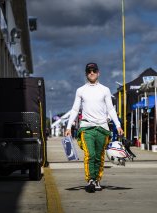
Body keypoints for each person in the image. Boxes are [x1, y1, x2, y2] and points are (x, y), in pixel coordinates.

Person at [65, 62, 123, 193]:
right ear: (86, 74)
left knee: (99, 156)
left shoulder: (105, 90)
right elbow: (75, 109)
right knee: (90, 154)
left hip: (103, 128)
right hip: (86, 128)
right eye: (89, 71)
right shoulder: (81, 90)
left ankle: (97, 180)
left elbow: (110, 109)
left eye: (94, 71)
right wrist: (68, 126)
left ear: (98, 73)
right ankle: (90, 179)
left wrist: (118, 125)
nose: (92, 73)